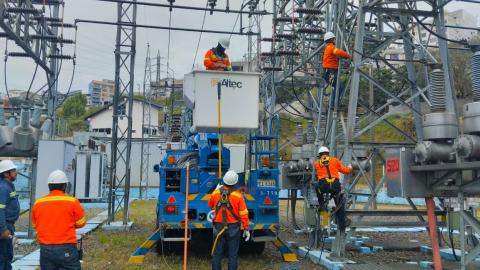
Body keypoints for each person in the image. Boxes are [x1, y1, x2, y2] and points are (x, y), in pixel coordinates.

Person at [32, 170, 86, 270]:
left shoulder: (38, 203)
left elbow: (35, 225)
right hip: (66, 246)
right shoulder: (72, 201)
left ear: (49, 186)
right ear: (64, 186)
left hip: (45, 248)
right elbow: (81, 223)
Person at [208, 170, 250, 270]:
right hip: (233, 229)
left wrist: (216, 191)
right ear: (235, 182)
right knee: (232, 256)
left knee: (217, 255)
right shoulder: (238, 196)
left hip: (218, 227)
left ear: (224, 180)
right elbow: (243, 214)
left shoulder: (216, 193)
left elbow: (210, 205)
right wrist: (246, 228)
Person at [314, 146, 352, 230]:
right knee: (339, 205)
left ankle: (322, 204)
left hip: (323, 187)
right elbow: (344, 170)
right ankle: (342, 225)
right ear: (328, 153)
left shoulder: (316, 163)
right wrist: (350, 168)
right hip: (335, 187)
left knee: (317, 186)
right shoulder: (335, 160)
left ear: (319, 155)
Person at [322, 32, 353, 110]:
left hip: (329, 72)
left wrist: (342, 57)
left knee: (338, 86)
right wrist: (348, 56)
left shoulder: (328, 48)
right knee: (339, 86)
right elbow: (338, 52)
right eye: (334, 39)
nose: (335, 40)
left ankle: (334, 103)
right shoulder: (331, 48)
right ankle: (333, 104)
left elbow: (335, 55)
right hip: (329, 72)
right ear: (332, 40)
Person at [0, 160, 19, 270]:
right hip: (4, 227)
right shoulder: (3, 188)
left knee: (7, 256)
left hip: (8, 226)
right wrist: (3, 229)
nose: (16, 172)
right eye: (13, 170)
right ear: (6, 174)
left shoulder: (8, 186)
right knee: (2, 258)